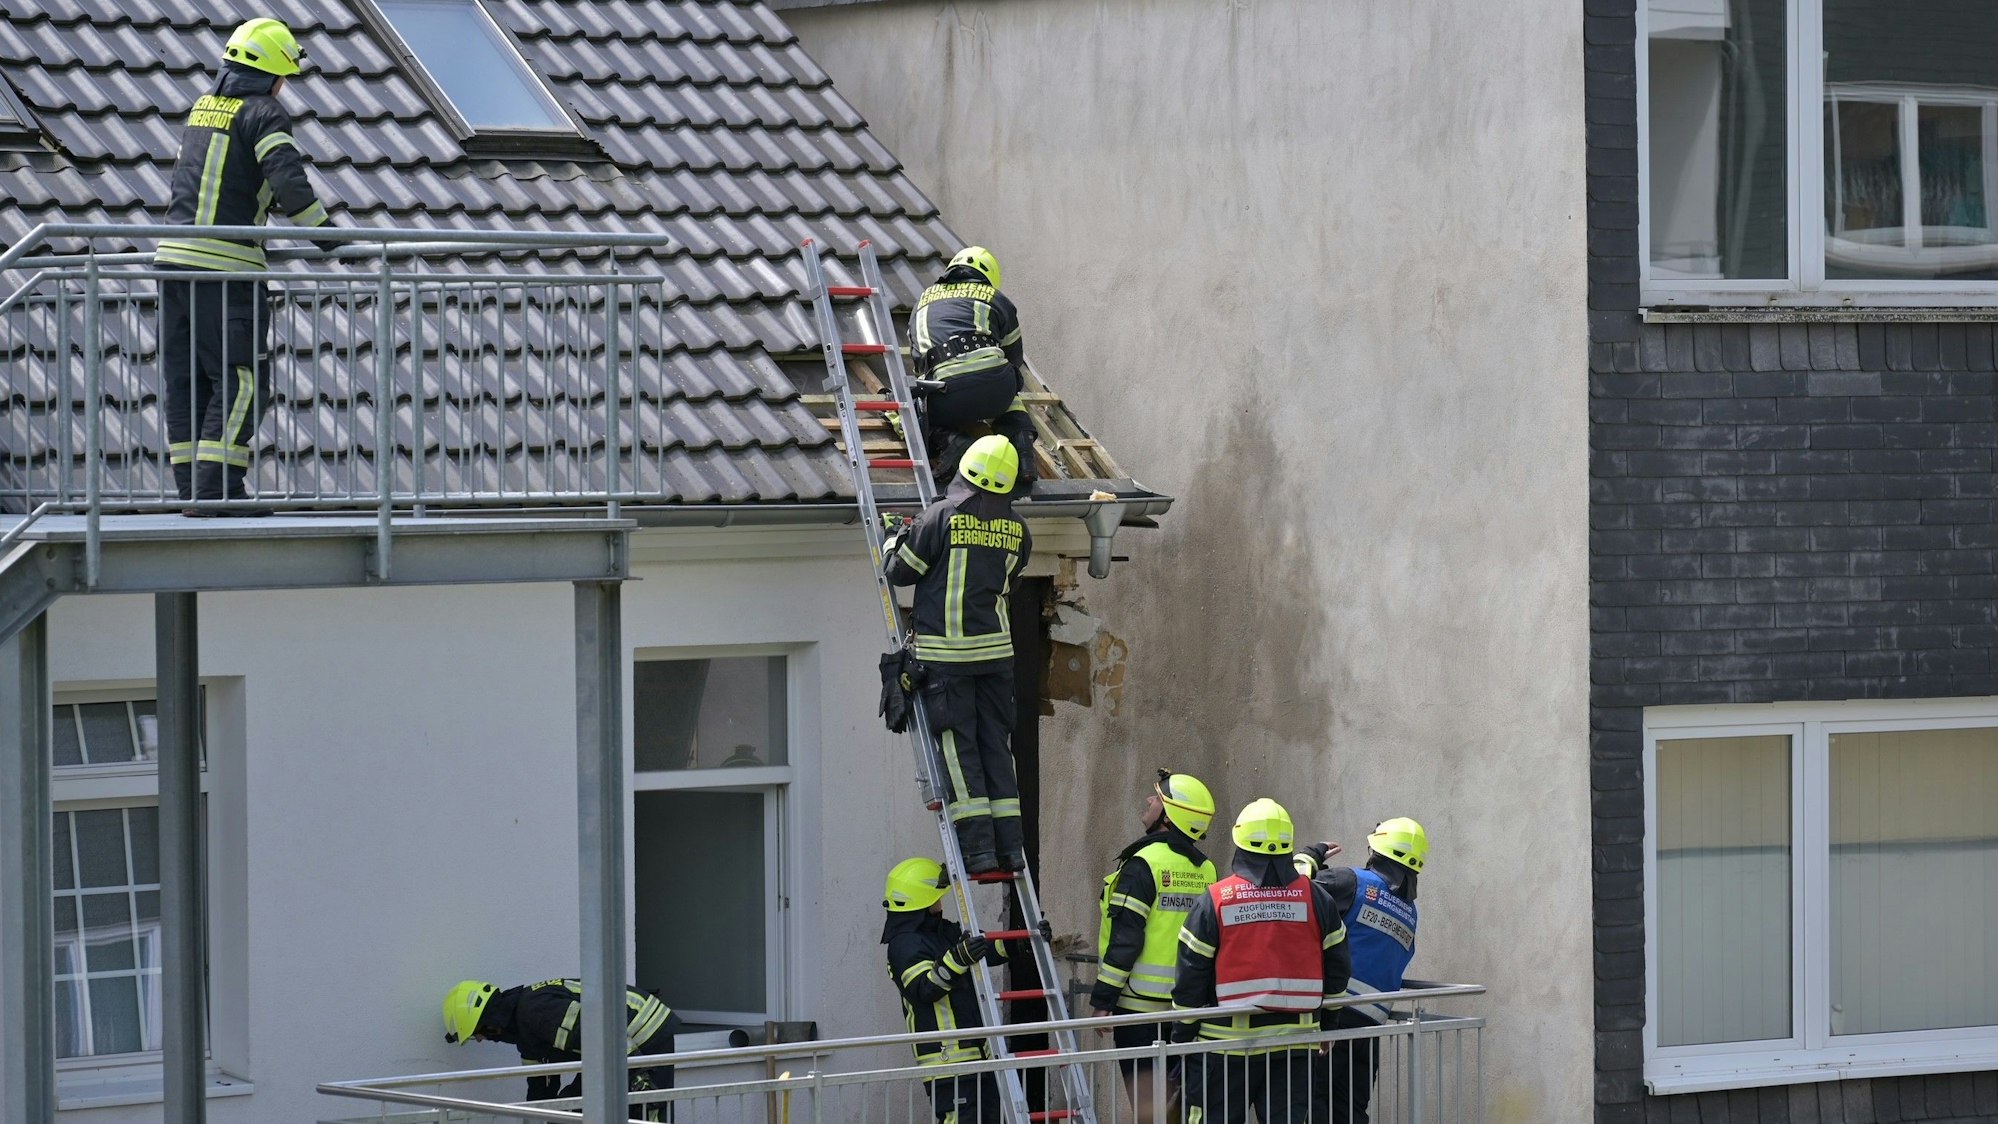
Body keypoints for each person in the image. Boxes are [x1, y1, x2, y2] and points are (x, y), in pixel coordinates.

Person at [155, 17, 336, 513]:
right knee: (240, 381)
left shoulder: (202, 109)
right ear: (274, 73)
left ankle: (194, 492)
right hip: (226, 268)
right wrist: (328, 239)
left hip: (172, 265)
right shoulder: (264, 114)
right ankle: (218, 494)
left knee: (187, 382)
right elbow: (289, 183)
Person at [884, 435, 1032, 874]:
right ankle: (1009, 849)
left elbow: (899, 572)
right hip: (997, 660)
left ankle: (979, 852)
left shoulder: (941, 516)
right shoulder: (1019, 529)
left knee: (957, 748)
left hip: (946, 662)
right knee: (995, 749)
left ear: (965, 472)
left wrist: (896, 536)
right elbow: (1013, 576)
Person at [1171, 799, 1350, 1124]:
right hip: (1295, 1047)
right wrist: (1329, 1026)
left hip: (1224, 1049)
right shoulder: (1316, 898)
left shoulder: (1215, 900)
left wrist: (1181, 1037)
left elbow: (1190, 976)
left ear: (1239, 842)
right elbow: (1338, 966)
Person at [1092, 769, 1219, 1121]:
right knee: (1178, 1111)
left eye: (1158, 799)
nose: (1148, 800)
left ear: (1168, 815)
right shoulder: (1206, 870)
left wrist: (1103, 1001)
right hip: (1187, 1013)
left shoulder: (1142, 865)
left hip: (1139, 1014)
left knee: (1151, 1113)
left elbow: (1126, 941)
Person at [1295, 818, 1426, 1124]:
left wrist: (1309, 857)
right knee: (1350, 1110)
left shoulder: (1351, 882)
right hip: (1370, 1026)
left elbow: (1289, 892)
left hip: (1331, 1017)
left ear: (1376, 850)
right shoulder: (1410, 912)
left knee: (1311, 1103)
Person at [881, 856, 1012, 1123]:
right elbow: (925, 988)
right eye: (936, 899)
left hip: (978, 1054)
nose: (941, 904)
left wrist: (1024, 942)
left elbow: (984, 949)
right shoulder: (903, 945)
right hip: (946, 1062)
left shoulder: (942, 932)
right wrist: (959, 958)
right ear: (922, 902)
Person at [442, 977, 682, 1120]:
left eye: (477, 1035)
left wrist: (637, 1073)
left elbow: (599, 1031)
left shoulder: (536, 1012)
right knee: (570, 1110)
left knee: (647, 1113)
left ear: (489, 1022)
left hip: (644, 1033)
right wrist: (536, 1118)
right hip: (609, 1052)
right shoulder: (525, 1033)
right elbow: (540, 1087)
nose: (482, 1040)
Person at [908, 246, 1037, 493]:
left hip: (949, 392)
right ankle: (1023, 452)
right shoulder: (995, 297)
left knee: (903, 409)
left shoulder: (923, 300)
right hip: (997, 388)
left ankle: (952, 442)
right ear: (989, 276)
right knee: (1009, 385)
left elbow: (918, 362)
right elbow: (1014, 357)